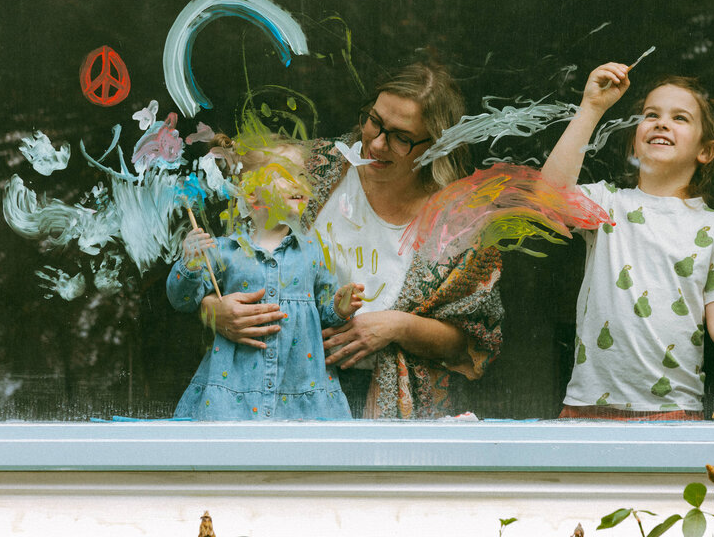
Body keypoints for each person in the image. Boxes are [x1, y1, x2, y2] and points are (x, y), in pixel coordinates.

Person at [198, 61, 504, 419]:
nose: (375, 143)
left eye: (400, 137)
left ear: (436, 145)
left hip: (392, 408)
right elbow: (223, 260)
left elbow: (474, 341)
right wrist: (211, 312)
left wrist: (397, 326)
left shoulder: (459, 220)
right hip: (277, 392)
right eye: (373, 120)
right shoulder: (311, 167)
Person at [541, 63, 714, 419]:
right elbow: (548, 199)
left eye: (680, 118)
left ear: (706, 151)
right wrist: (592, 108)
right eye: (651, 115)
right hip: (586, 407)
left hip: (673, 413)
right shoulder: (607, 203)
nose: (661, 122)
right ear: (634, 139)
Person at [168, 137, 363, 420]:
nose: (299, 184)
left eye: (302, 176)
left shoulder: (313, 251)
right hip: (235, 393)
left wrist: (340, 307)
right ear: (251, 194)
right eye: (285, 175)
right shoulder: (225, 251)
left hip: (300, 388)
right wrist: (190, 263)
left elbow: (326, 312)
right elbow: (182, 300)